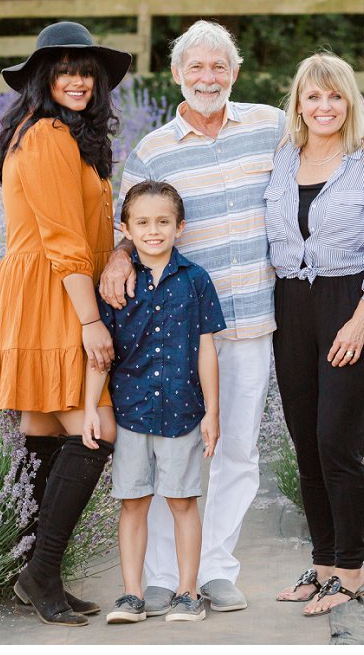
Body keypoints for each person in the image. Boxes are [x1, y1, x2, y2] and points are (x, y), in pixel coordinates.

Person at [99, 20, 364, 616]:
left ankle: (214, 570)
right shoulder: (153, 149)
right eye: (196, 67)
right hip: (179, 329)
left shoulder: (270, 129)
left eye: (219, 67)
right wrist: (113, 255)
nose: (208, 78)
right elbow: (125, 225)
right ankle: (162, 574)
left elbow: (330, 138)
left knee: (237, 450)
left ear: (234, 73)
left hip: (260, 318)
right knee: (170, 447)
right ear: (178, 74)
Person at [0, 21, 130, 627]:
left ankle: (37, 574)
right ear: (42, 78)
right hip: (53, 291)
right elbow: (62, 239)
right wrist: (91, 321)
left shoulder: (58, 135)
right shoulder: (49, 136)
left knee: (42, 425)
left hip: (44, 288)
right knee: (96, 428)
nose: (78, 81)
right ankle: (40, 571)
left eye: (86, 71)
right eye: (64, 70)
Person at [264, 52, 364, 617]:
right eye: (313, 96)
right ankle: (322, 563)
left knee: (336, 443)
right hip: (290, 305)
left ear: (351, 103)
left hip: (351, 303)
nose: (324, 107)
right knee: (304, 442)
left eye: (335, 96)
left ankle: (351, 571)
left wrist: (362, 314)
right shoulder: (280, 159)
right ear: (298, 103)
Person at [83, 180, 225, 625]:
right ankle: (131, 595)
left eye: (163, 222)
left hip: (183, 412)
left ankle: (187, 592)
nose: (153, 231)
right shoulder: (114, 284)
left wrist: (212, 412)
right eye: (142, 223)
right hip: (131, 412)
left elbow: (206, 349)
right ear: (125, 228)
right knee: (133, 502)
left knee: (183, 501)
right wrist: (91, 407)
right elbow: (99, 353)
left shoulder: (196, 280)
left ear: (180, 227)